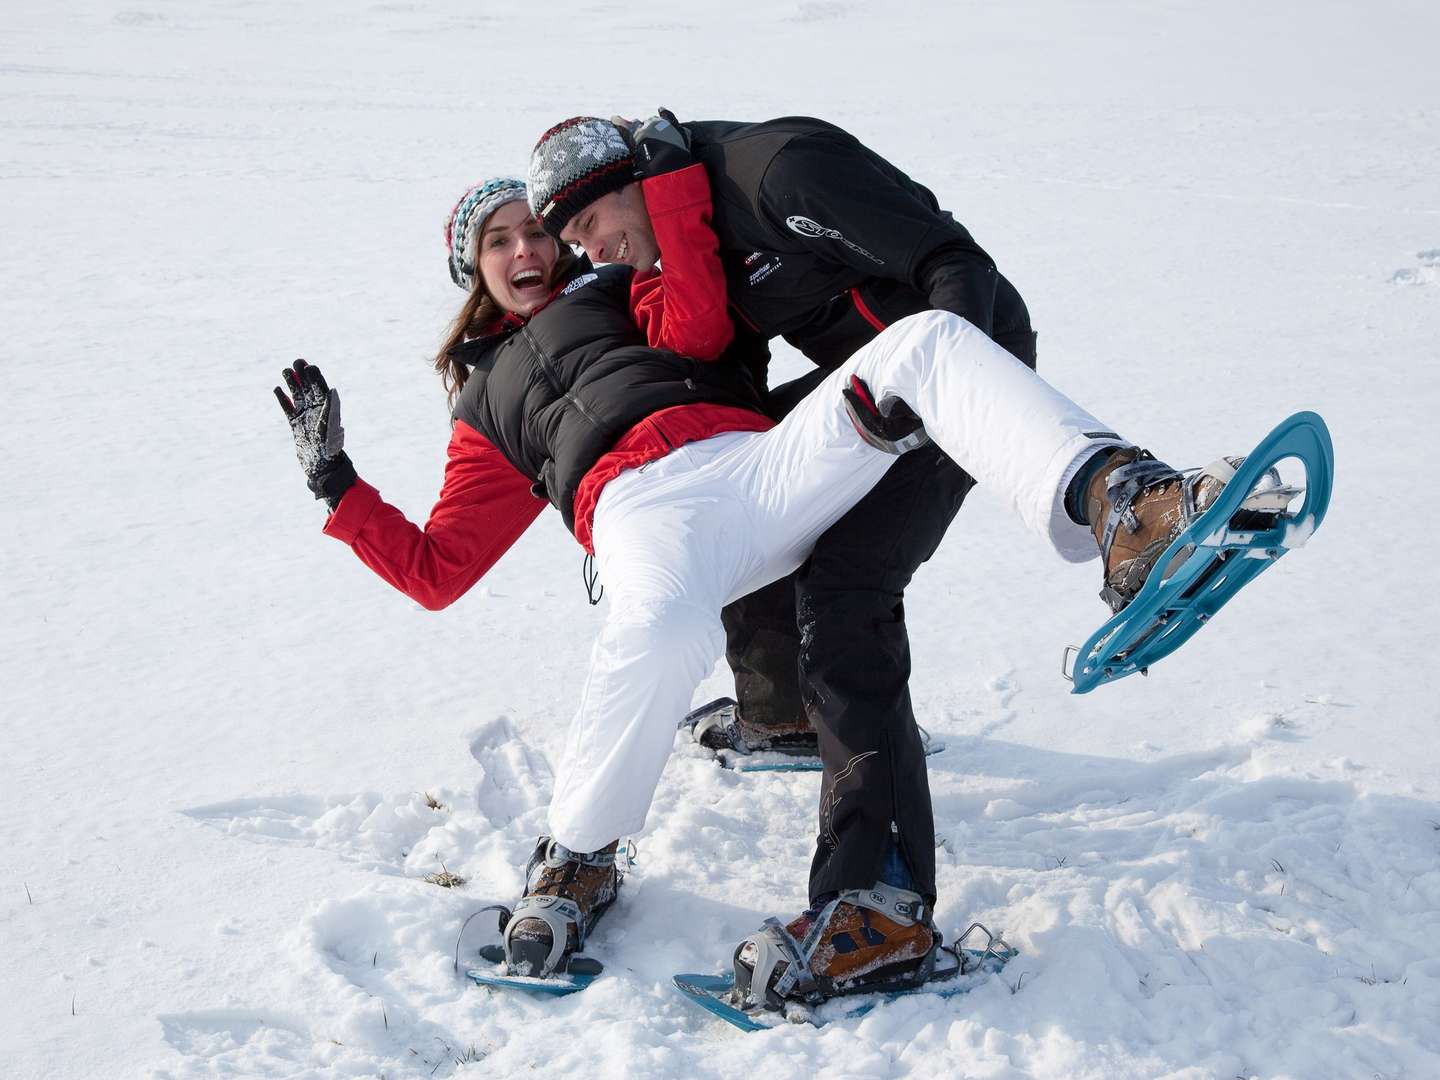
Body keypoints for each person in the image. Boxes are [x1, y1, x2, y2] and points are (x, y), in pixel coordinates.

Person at [277, 151, 1273, 1008]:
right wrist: (335, 486)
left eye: (535, 230)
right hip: (641, 517)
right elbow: (437, 569)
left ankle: (1128, 504)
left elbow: (706, 324)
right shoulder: (484, 405)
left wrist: (662, 189)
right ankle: (576, 862)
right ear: (472, 271)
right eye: (497, 241)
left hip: (761, 472)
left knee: (925, 344)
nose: (525, 249)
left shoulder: (629, 288)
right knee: (656, 634)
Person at [528, 110, 1036, 939]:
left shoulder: (778, 171)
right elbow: (701, 336)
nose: (592, 251)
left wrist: (959, 396)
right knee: (736, 485)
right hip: (871, 385)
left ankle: (878, 900)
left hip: (961, 362)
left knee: (848, 593)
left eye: (590, 225)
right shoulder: (684, 234)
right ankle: (786, 712)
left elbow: (952, 261)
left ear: (629, 184)